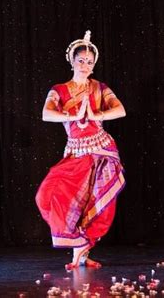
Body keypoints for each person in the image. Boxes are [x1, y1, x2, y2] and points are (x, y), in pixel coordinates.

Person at [35, 31, 126, 269]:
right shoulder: (59, 90)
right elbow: (46, 114)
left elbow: (120, 110)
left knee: (97, 203)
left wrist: (98, 114)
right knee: (47, 195)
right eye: (81, 60)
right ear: (72, 61)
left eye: (90, 62)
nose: (85, 65)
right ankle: (78, 243)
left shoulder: (100, 88)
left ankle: (82, 253)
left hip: (101, 151)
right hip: (75, 152)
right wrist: (73, 114)